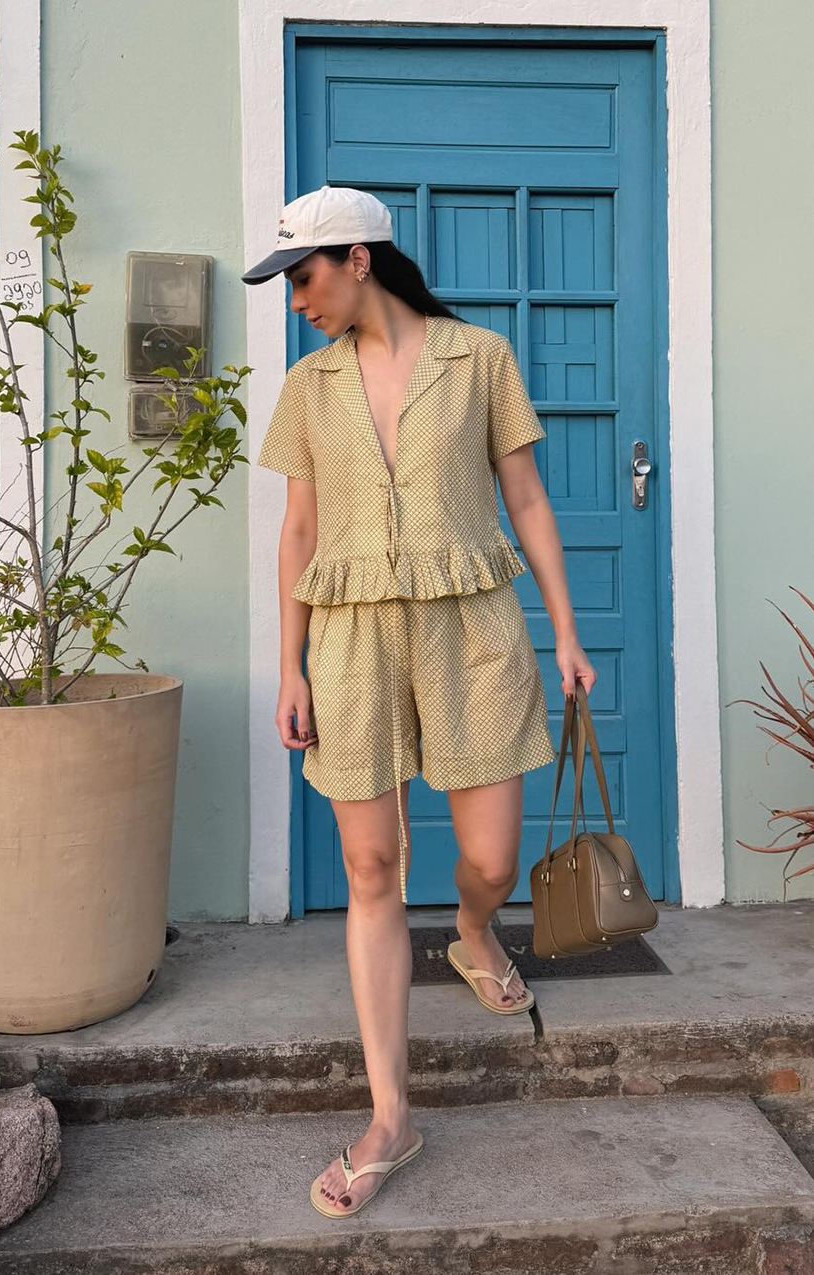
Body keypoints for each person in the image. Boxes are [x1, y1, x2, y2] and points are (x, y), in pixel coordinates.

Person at [243, 185, 596, 1219]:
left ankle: (478, 934)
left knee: (488, 859)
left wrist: (567, 631)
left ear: (359, 259)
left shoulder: (478, 357)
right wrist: (291, 664)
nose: (295, 298)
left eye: (303, 276)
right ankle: (390, 1115)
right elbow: (299, 535)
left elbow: (524, 496)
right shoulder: (309, 386)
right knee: (369, 866)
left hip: (471, 627)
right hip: (349, 637)